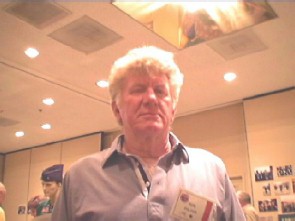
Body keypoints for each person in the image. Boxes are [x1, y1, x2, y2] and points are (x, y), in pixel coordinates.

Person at [52, 46, 246, 220]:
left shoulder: (212, 171)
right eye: (138, 90)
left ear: (173, 110)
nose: (151, 99)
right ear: (116, 109)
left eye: (160, 91)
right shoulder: (80, 177)